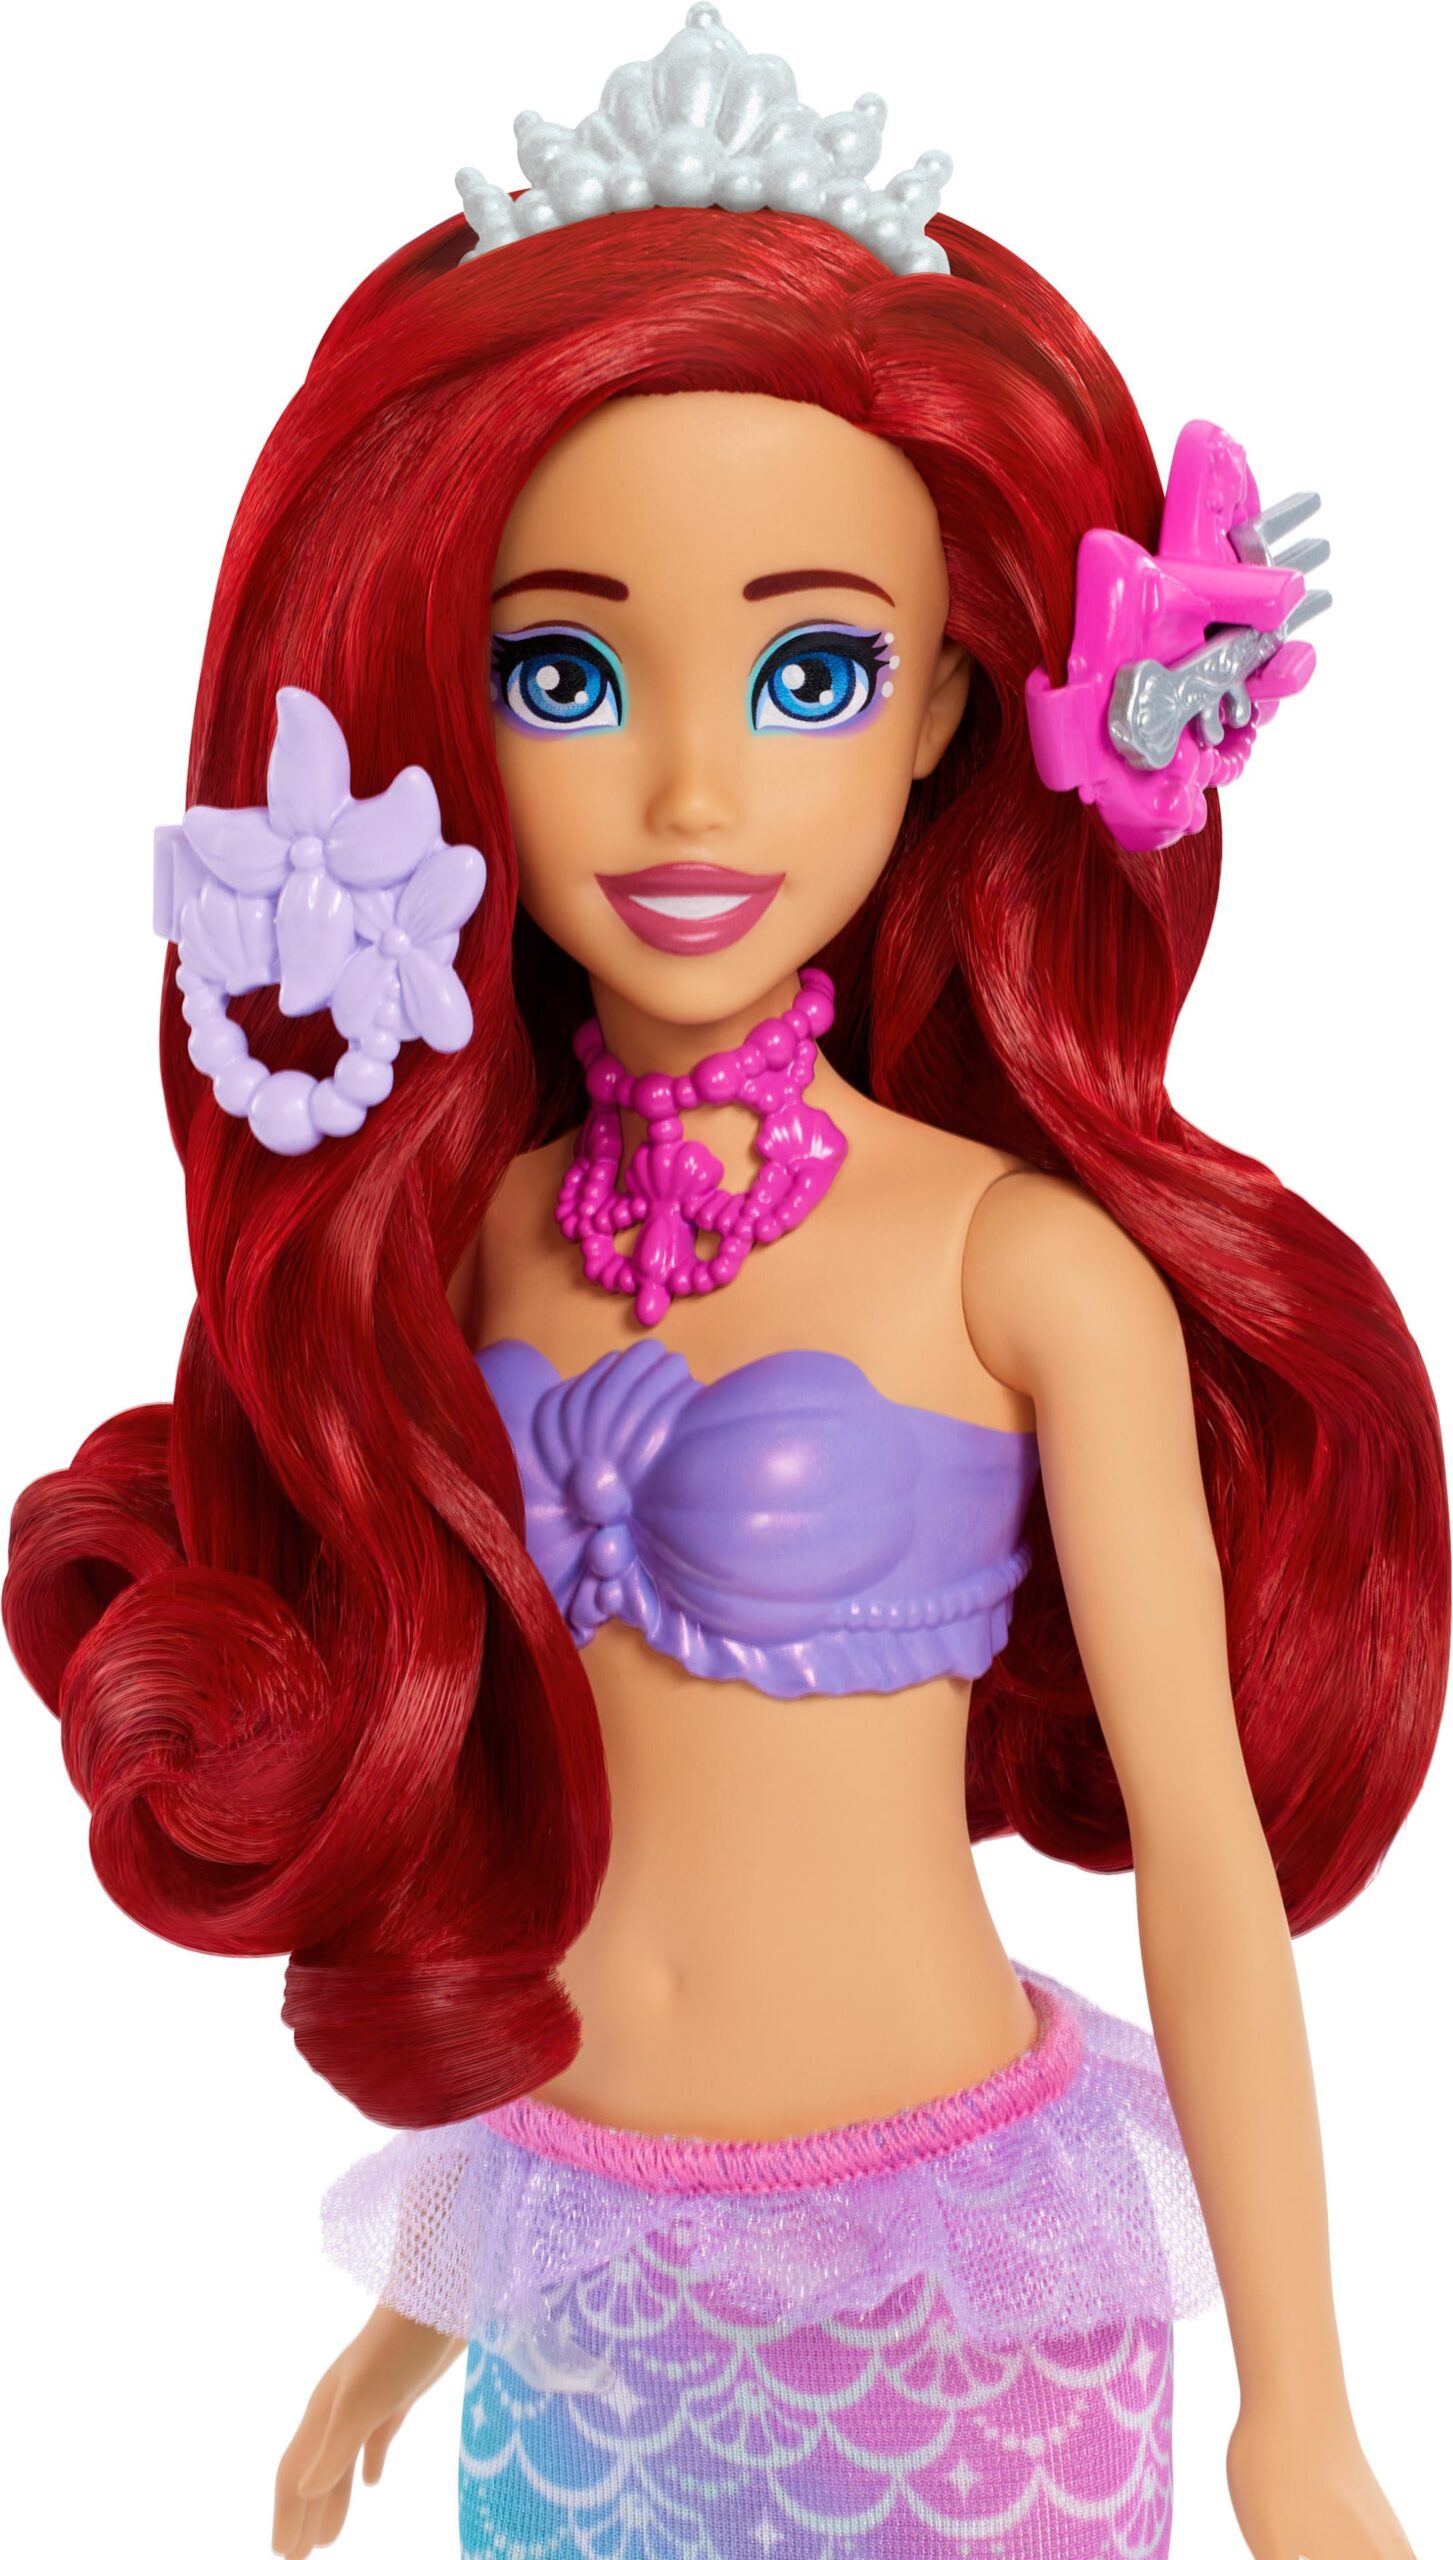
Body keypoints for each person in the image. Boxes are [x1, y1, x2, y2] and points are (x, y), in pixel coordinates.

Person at [4, 11, 1443, 2556]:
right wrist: (411, 2312)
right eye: (564, 671)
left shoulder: (1016, 1264)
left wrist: (1299, 2405)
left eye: (809, 671)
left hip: (951, 2301)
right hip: (577, 2283)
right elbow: (538, 1824)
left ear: (943, 708)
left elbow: (1205, 1865)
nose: (690, 790)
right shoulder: (465, 1240)